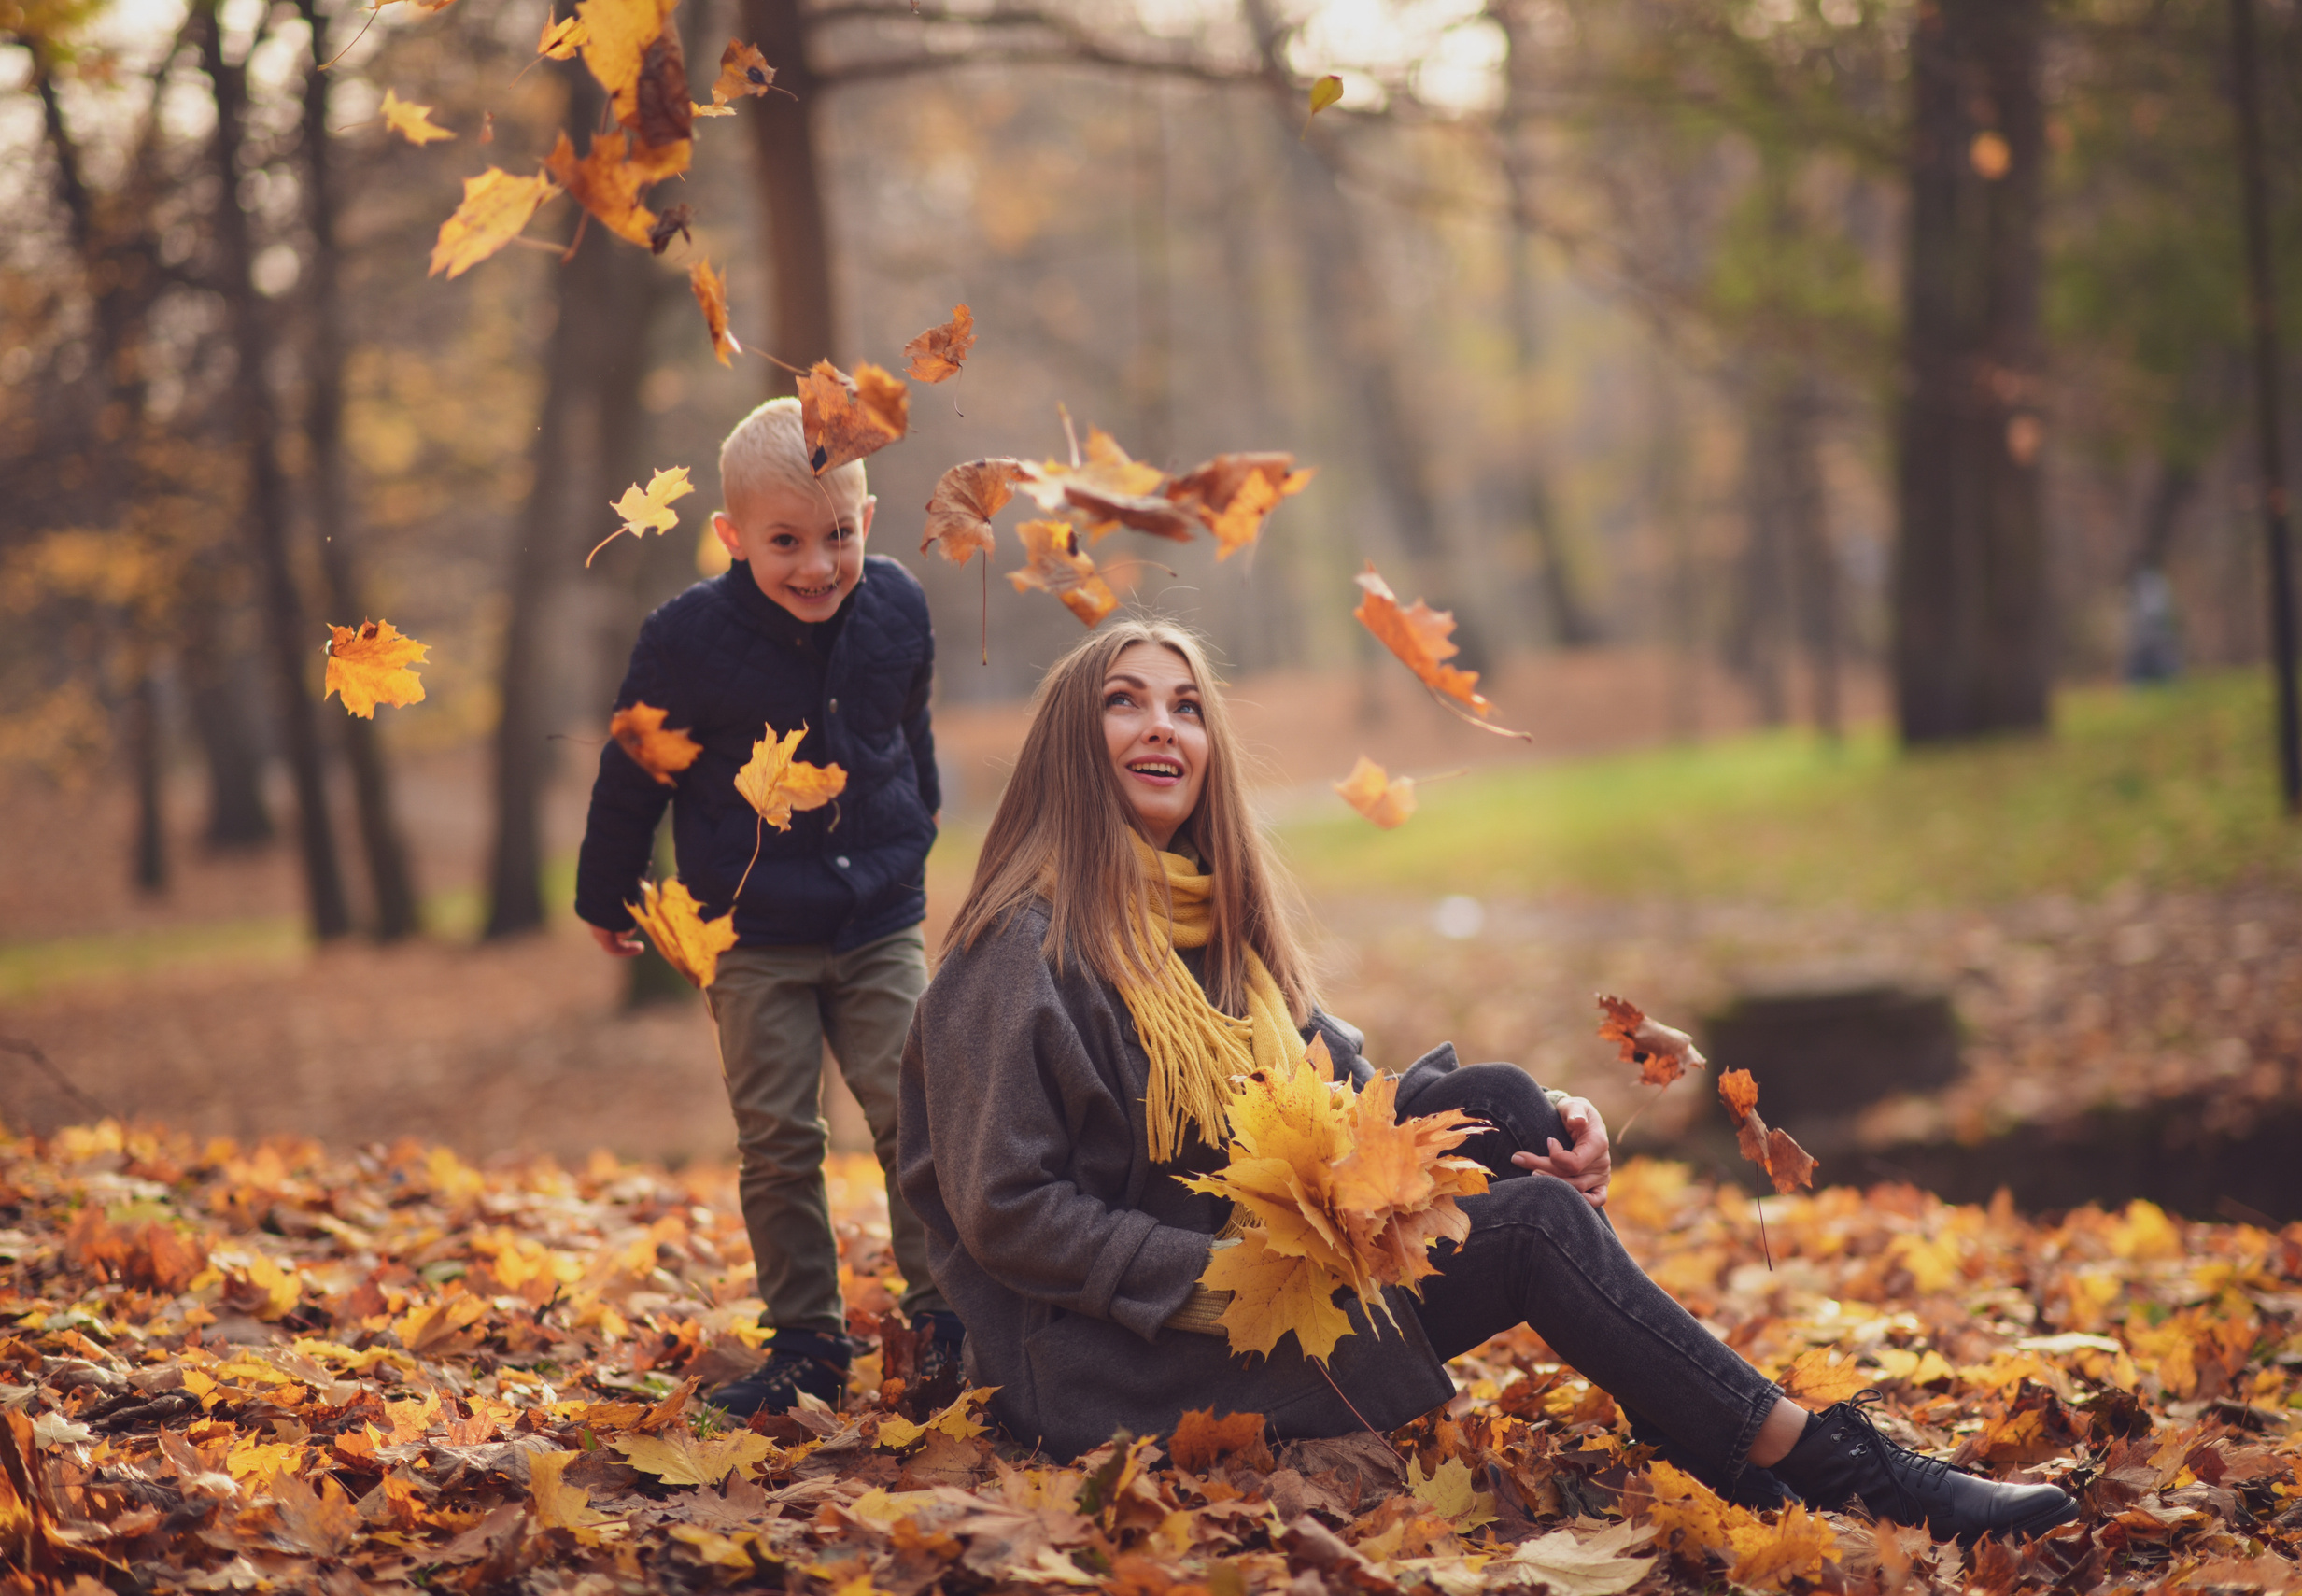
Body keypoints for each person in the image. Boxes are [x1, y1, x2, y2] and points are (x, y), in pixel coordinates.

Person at [897, 619, 2077, 1542]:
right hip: (1132, 1358)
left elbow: (1347, 1099)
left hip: (1287, 1291)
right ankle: (1810, 1456)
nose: (1163, 726)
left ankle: (1711, 1423)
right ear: (1070, 745)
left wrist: (1557, 1117)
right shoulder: (1021, 950)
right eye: (1124, 702)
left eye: (1186, 706)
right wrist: (1218, 1273)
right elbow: (1009, 1211)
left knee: (1508, 1107)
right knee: (1533, 1232)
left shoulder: (1220, 936)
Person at [576, 397, 956, 1415]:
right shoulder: (685, 639)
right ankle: (806, 1341)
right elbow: (635, 771)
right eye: (784, 541)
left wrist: (919, 812)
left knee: (910, 1112)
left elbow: (906, 724)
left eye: (837, 535)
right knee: (781, 1135)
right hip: (749, 936)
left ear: (865, 523)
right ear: (733, 537)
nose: (816, 566)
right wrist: (610, 889)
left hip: (878, 919)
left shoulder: (896, 606)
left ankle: (945, 1317)